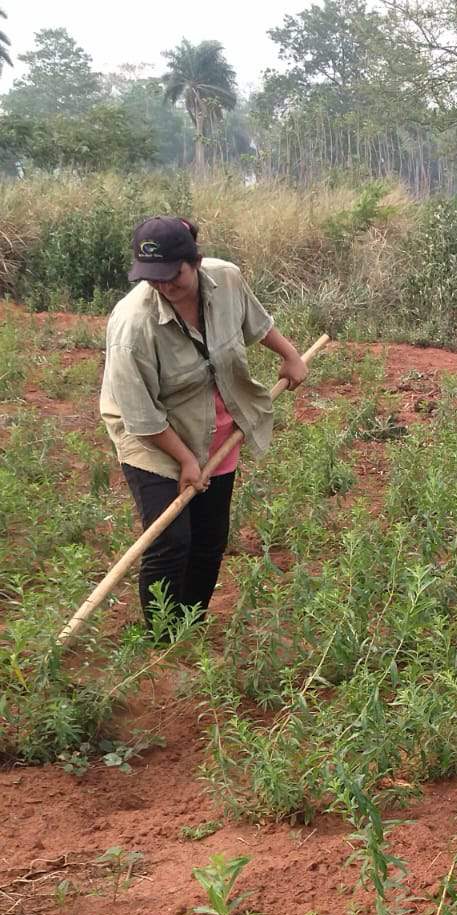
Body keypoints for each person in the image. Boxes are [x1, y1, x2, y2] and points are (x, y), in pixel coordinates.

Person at [100, 215, 309, 632]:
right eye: (152, 278)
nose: (163, 286)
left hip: (216, 426)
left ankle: (188, 628)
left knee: (210, 538)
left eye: (172, 275)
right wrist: (184, 461)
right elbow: (141, 416)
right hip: (151, 439)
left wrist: (290, 355)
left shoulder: (225, 279)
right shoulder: (131, 324)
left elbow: (257, 322)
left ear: (194, 261)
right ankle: (160, 639)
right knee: (171, 541)